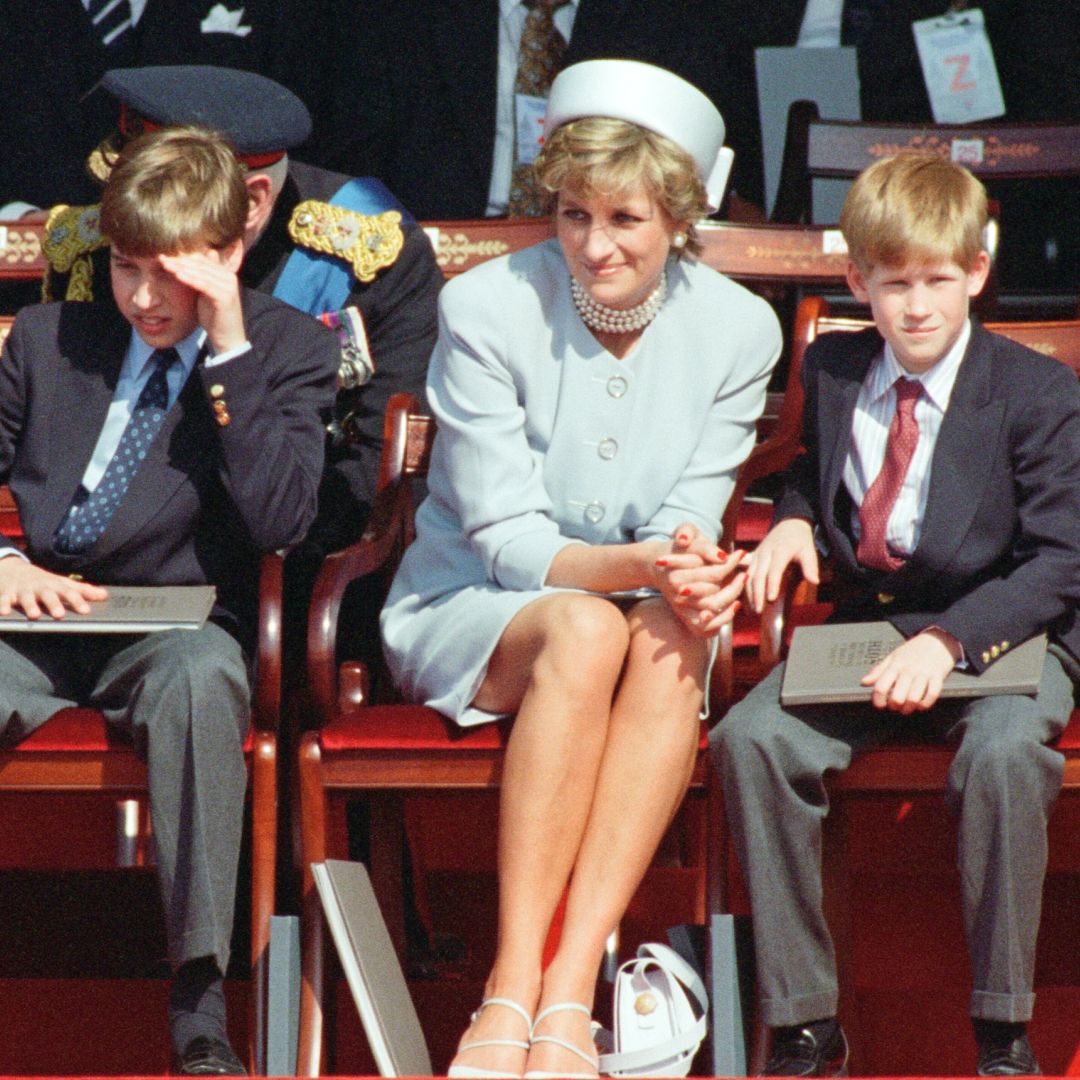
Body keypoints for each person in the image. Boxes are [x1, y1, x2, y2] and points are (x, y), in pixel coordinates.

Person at [380, 59, 781, 1078]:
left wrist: (689, 568)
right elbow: (507, 543)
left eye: (625, 219)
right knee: (586, 623)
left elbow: (694, 511)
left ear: (680, 217)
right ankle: (509, 988)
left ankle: (568, 995)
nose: (593, 246)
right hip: (472, 603)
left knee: (668, 631)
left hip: (625, 600)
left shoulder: (741, 329)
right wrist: (647, 562)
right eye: (571, 214)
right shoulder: (483, 310)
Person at [711, 153, 1080, 1077]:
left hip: (1006, 627)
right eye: (895, 284)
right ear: (856, 283)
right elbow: (807, 467)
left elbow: (1065, 558)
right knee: (749, 740)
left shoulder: (1035, 395)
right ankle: (804, 1025)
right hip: (873, 629)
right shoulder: (835, 368)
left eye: (939, 281)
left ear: (977, 276)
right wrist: (794, 520)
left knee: (1003, 755)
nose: (918, 306)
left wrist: (950, 640)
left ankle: (1001, 1031)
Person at [0, 126, 338, 1073]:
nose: (145, 298)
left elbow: (280, 521)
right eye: (124, 268)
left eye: (172, 273)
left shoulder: (285, 351)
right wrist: (1, 558)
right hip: (37, 612)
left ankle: (197, 998)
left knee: (201, 682)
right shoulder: (45, 337)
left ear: (229, 253)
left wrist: (226, 346)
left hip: (174, 620)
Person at [41, 64, 443, 561]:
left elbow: (374, 469)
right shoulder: (102, 248)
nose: (146, 292)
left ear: (252, 201)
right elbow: (67, 429)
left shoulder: (365, 253)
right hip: (120, 553)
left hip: (293, 559)